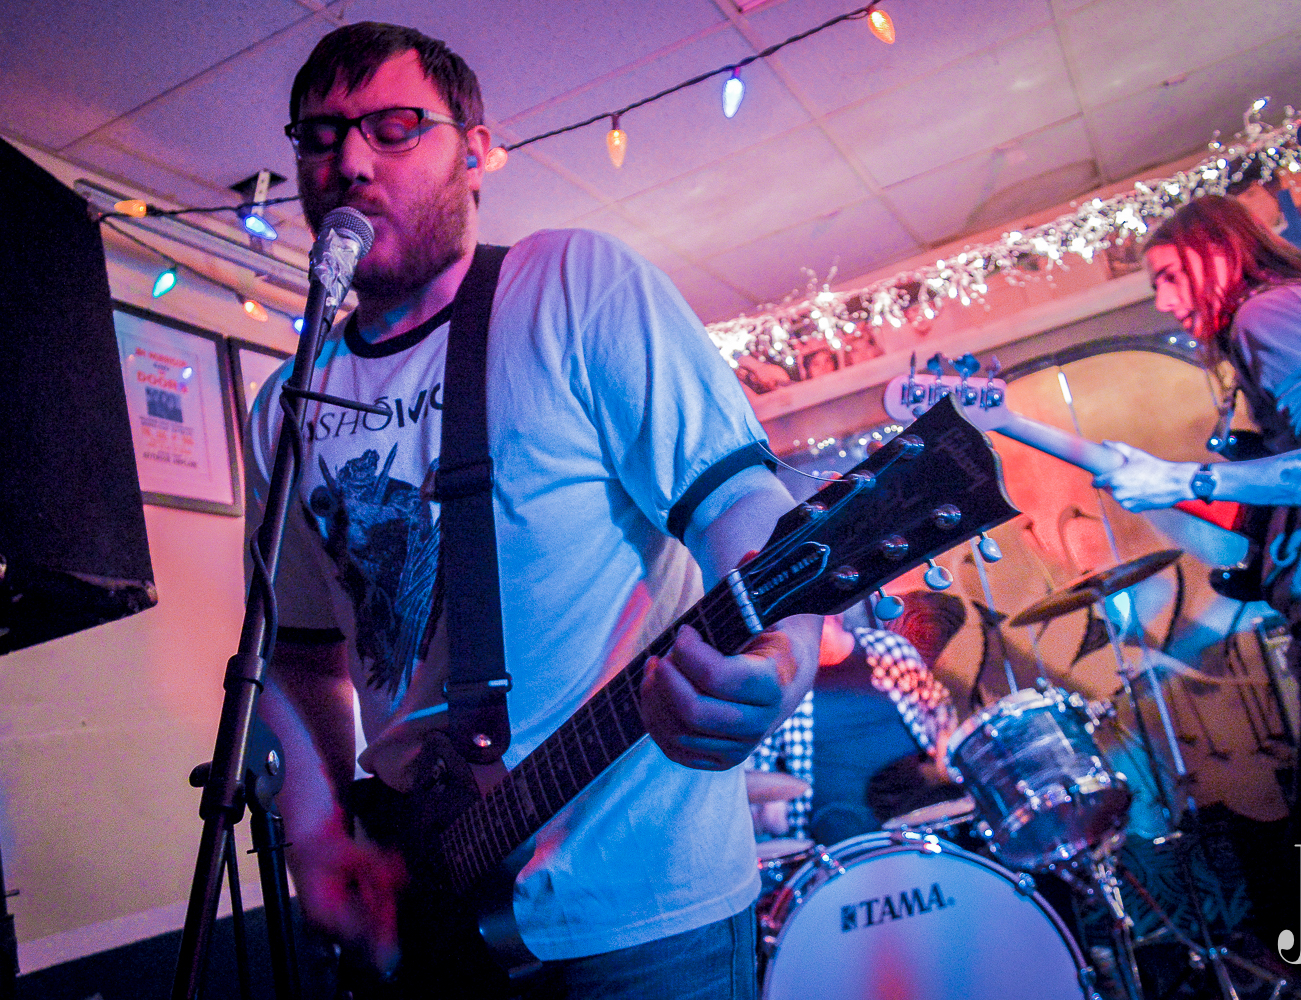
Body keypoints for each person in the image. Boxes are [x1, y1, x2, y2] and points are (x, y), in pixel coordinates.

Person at [244, 22, 820, 998]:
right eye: (321, 136)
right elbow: (299, 657)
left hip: (643, 917)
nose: (351, 161)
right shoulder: (285, 406)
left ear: (474, 151)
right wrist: (318, 835)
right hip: (426, 908)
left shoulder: (572, 286)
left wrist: (779, 659)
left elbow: (741, 502)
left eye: (395, 126)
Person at [1091, 194, 1301, 991]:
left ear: (1219, 252)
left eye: (1170, 276)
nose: (1165, 302)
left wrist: (1187, 478)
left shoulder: (1270, 315)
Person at [748, 592, 962, 846]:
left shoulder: (887, 648)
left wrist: (946, 750)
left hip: (921, 813)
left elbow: (937, 706)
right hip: (841, 837)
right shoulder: (782, 680)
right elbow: (759, 767)